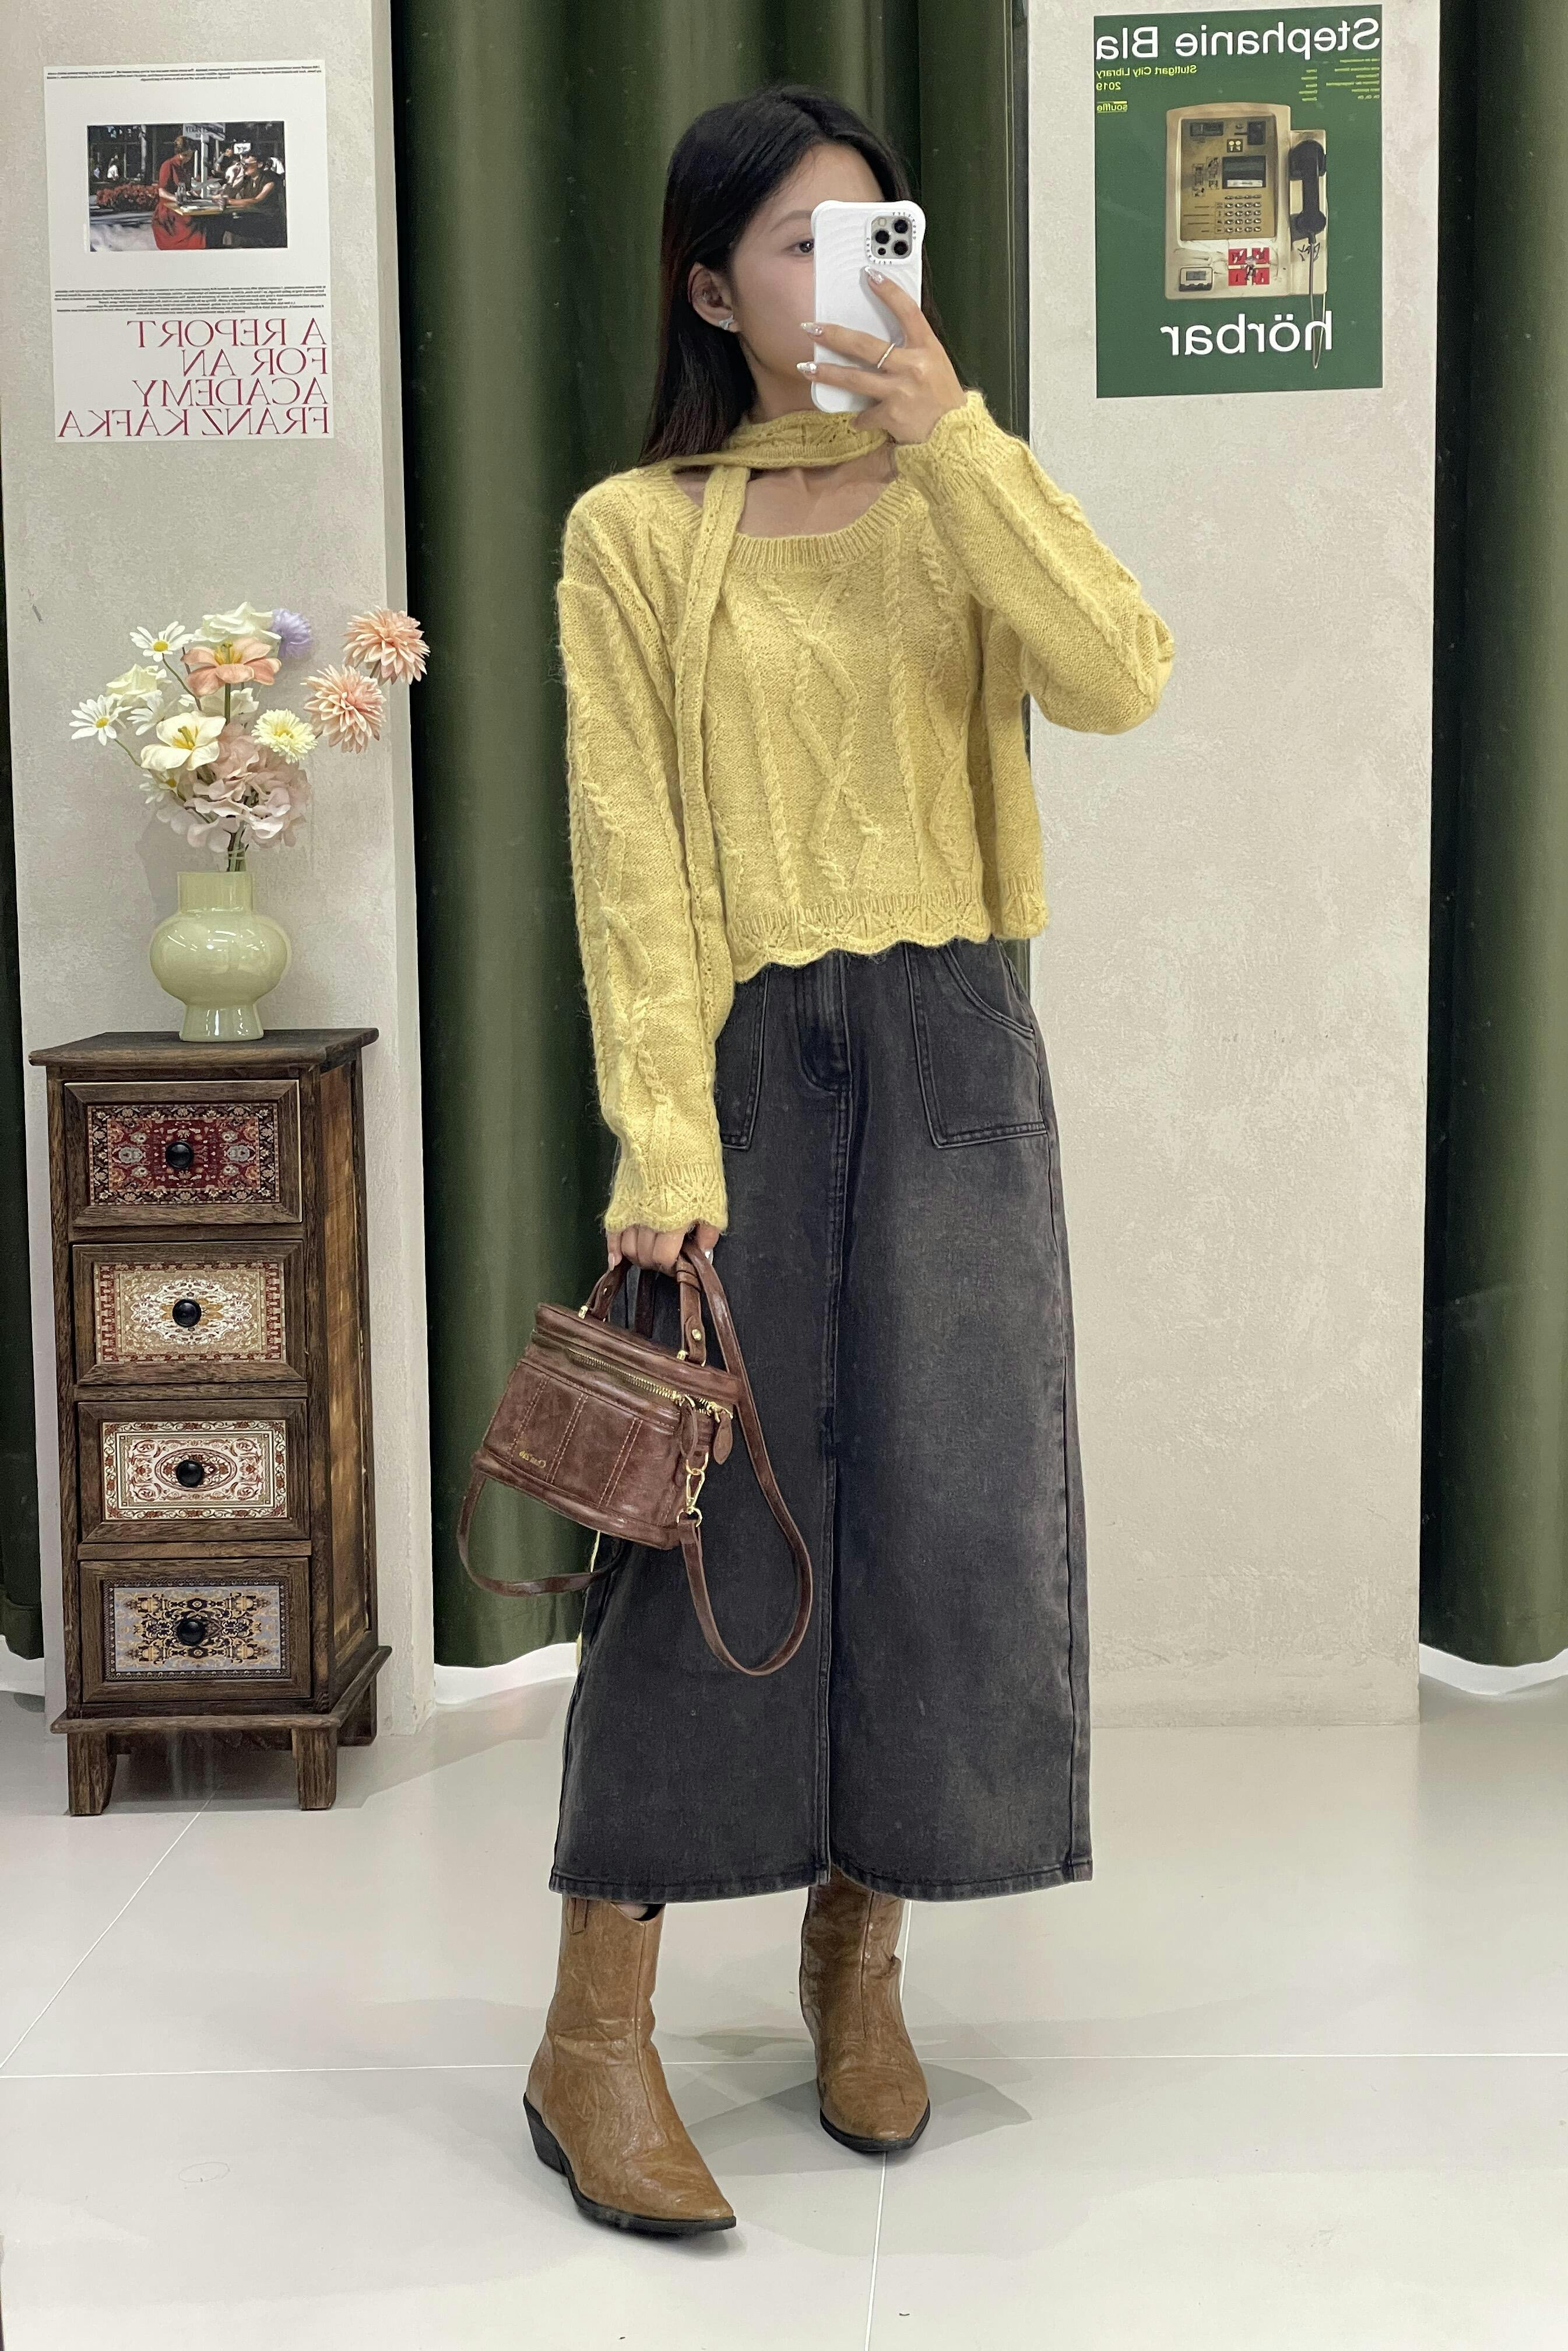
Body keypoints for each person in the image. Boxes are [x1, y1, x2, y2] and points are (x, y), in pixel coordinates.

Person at [525, 83, 1173, 2238]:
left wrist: (953, 438)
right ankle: (594, 2028)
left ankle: (857, 1960)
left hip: (953, 1040)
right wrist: (658, 1129)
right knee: (688, 1529)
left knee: (940, 1512)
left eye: (864, 234)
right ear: (711, 290)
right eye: (788, 243)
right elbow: (627, 854)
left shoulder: (958, 487)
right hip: (732, 1057)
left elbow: (1120, 678)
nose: (834, 279)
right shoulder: (632, 534)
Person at [150, 136, 208, 252]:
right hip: (169, 209)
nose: (190, 157)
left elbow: (185, 189)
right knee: (195, 222)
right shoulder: (168, 165)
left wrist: (192, 193)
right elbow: (162, 192)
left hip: (182, 206)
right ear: (182, 153)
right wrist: (177, 198)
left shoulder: (185, 168)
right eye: (188, 154)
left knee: (204, 217)